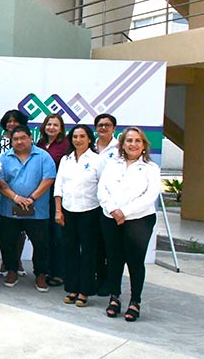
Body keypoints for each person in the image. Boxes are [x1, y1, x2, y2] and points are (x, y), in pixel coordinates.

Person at [98, 127, 159, 322]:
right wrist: (113, 210)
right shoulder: (112, 164)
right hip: (111, 218)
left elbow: (150, 196)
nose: (133, 144)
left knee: (135, 261)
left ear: (143, 145)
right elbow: (102, 189)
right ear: (122, 144)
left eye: (137, 141)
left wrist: (124, 212)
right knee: (114, 259)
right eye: (129, 140)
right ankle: (114, 297)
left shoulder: (151, 168)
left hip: (139, 220)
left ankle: (135, 301)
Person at [0, 125, 56, 291]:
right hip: (10, 208)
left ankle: (40, 274)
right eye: (15, 139)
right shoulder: (4, 158)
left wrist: (31, 198)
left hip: (38, 210)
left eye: (23, 138)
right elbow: (0, 182)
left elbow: (48, 179)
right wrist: (16, 197)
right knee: (8, 242)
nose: (19, 141)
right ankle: (11, 270)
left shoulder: (43, 156)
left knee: (41, 244)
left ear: (31, 138)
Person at [54, 125, 101, 307]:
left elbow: (103, 185)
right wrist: (58, 210)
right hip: (68, 211)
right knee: (70, 250)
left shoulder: (97, 160)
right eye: (75, 136)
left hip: (90, 211)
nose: (78, 140)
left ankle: (84, 291)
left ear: (89, 139)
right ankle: (72, 288)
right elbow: (59, 185)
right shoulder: (66, 159)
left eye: (82, 136)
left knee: (88, 252)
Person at [0, 109, 30, 277]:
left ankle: (17, 260)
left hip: (21, 192)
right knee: (3, 229)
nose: (12, 124)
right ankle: (7, 261)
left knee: (21, 228)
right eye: (9, 121)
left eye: (15, 121)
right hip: (1, 192)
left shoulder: (28, 145)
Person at [35, 114, 69, 287]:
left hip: (58, 196)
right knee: (45, 234)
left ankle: (60, 272)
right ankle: (46, 270)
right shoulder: (39, 144)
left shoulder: (66, 145)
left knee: (59, 235)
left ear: (61, 128)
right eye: (49, 124)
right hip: (42, 196)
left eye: (56, 125)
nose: (52, 127)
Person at [93, 113, 118, 295]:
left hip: (111, 205)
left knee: (111, 246)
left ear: (114, 128)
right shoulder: (90, 147)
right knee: (96, 246)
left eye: (107, 125)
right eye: (100, 125)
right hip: (90, 203)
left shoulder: (120, 149)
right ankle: (98, 278)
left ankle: (111, 282)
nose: (103, 128)